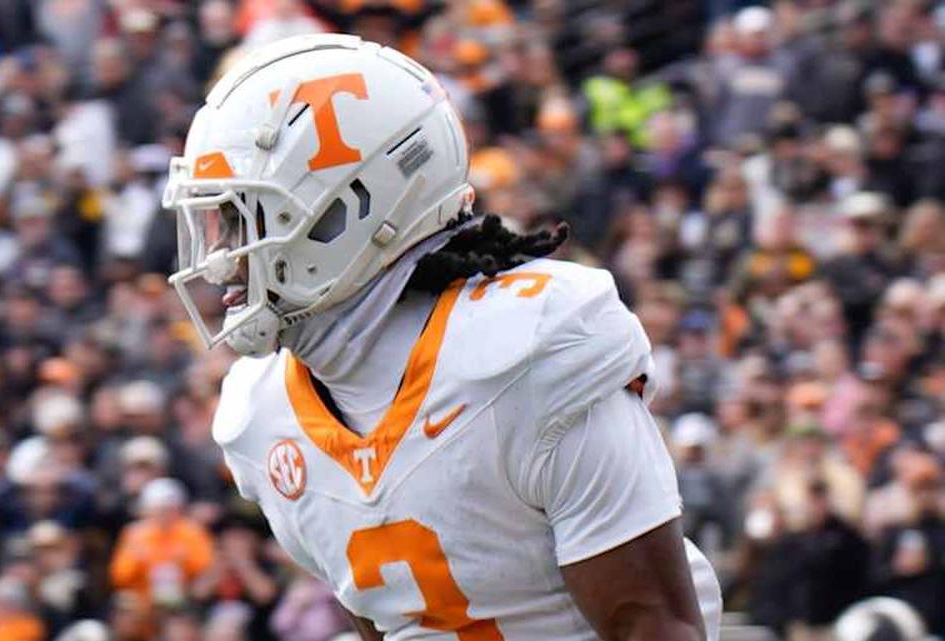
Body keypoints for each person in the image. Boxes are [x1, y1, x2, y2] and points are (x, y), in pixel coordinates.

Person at [162, 33, 721, 641]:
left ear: (345, 209)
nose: (221, 258)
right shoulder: (261, 413)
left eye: (244, 220)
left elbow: (655, 628)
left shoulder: (531, 352)